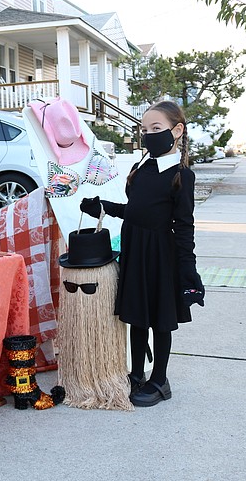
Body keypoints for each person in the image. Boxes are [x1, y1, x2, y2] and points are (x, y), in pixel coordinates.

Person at [80, 100, 204, 407]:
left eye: (156, 128)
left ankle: (159, 380)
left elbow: (184, 226)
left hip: (162, 255)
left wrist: (188, 271)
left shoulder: (181, 175)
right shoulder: (141, 168)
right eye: (144, 129)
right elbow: (135, 211)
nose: (149, 135)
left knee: (160, 318)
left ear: (177, 131)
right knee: (136, 315)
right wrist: (105, 208)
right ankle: (136, 374)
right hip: (135, 250)